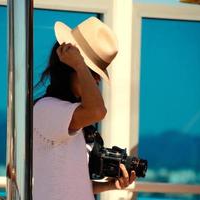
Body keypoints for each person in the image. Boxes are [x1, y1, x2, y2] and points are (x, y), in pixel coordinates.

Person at [33, 17, 136, 200]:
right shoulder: (46, 109)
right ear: (70, 66)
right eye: (93, 72)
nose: (96, 80)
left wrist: (110, 185)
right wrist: (81, 64)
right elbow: (98, 111)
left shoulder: (68, 115)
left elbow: (71, 183)